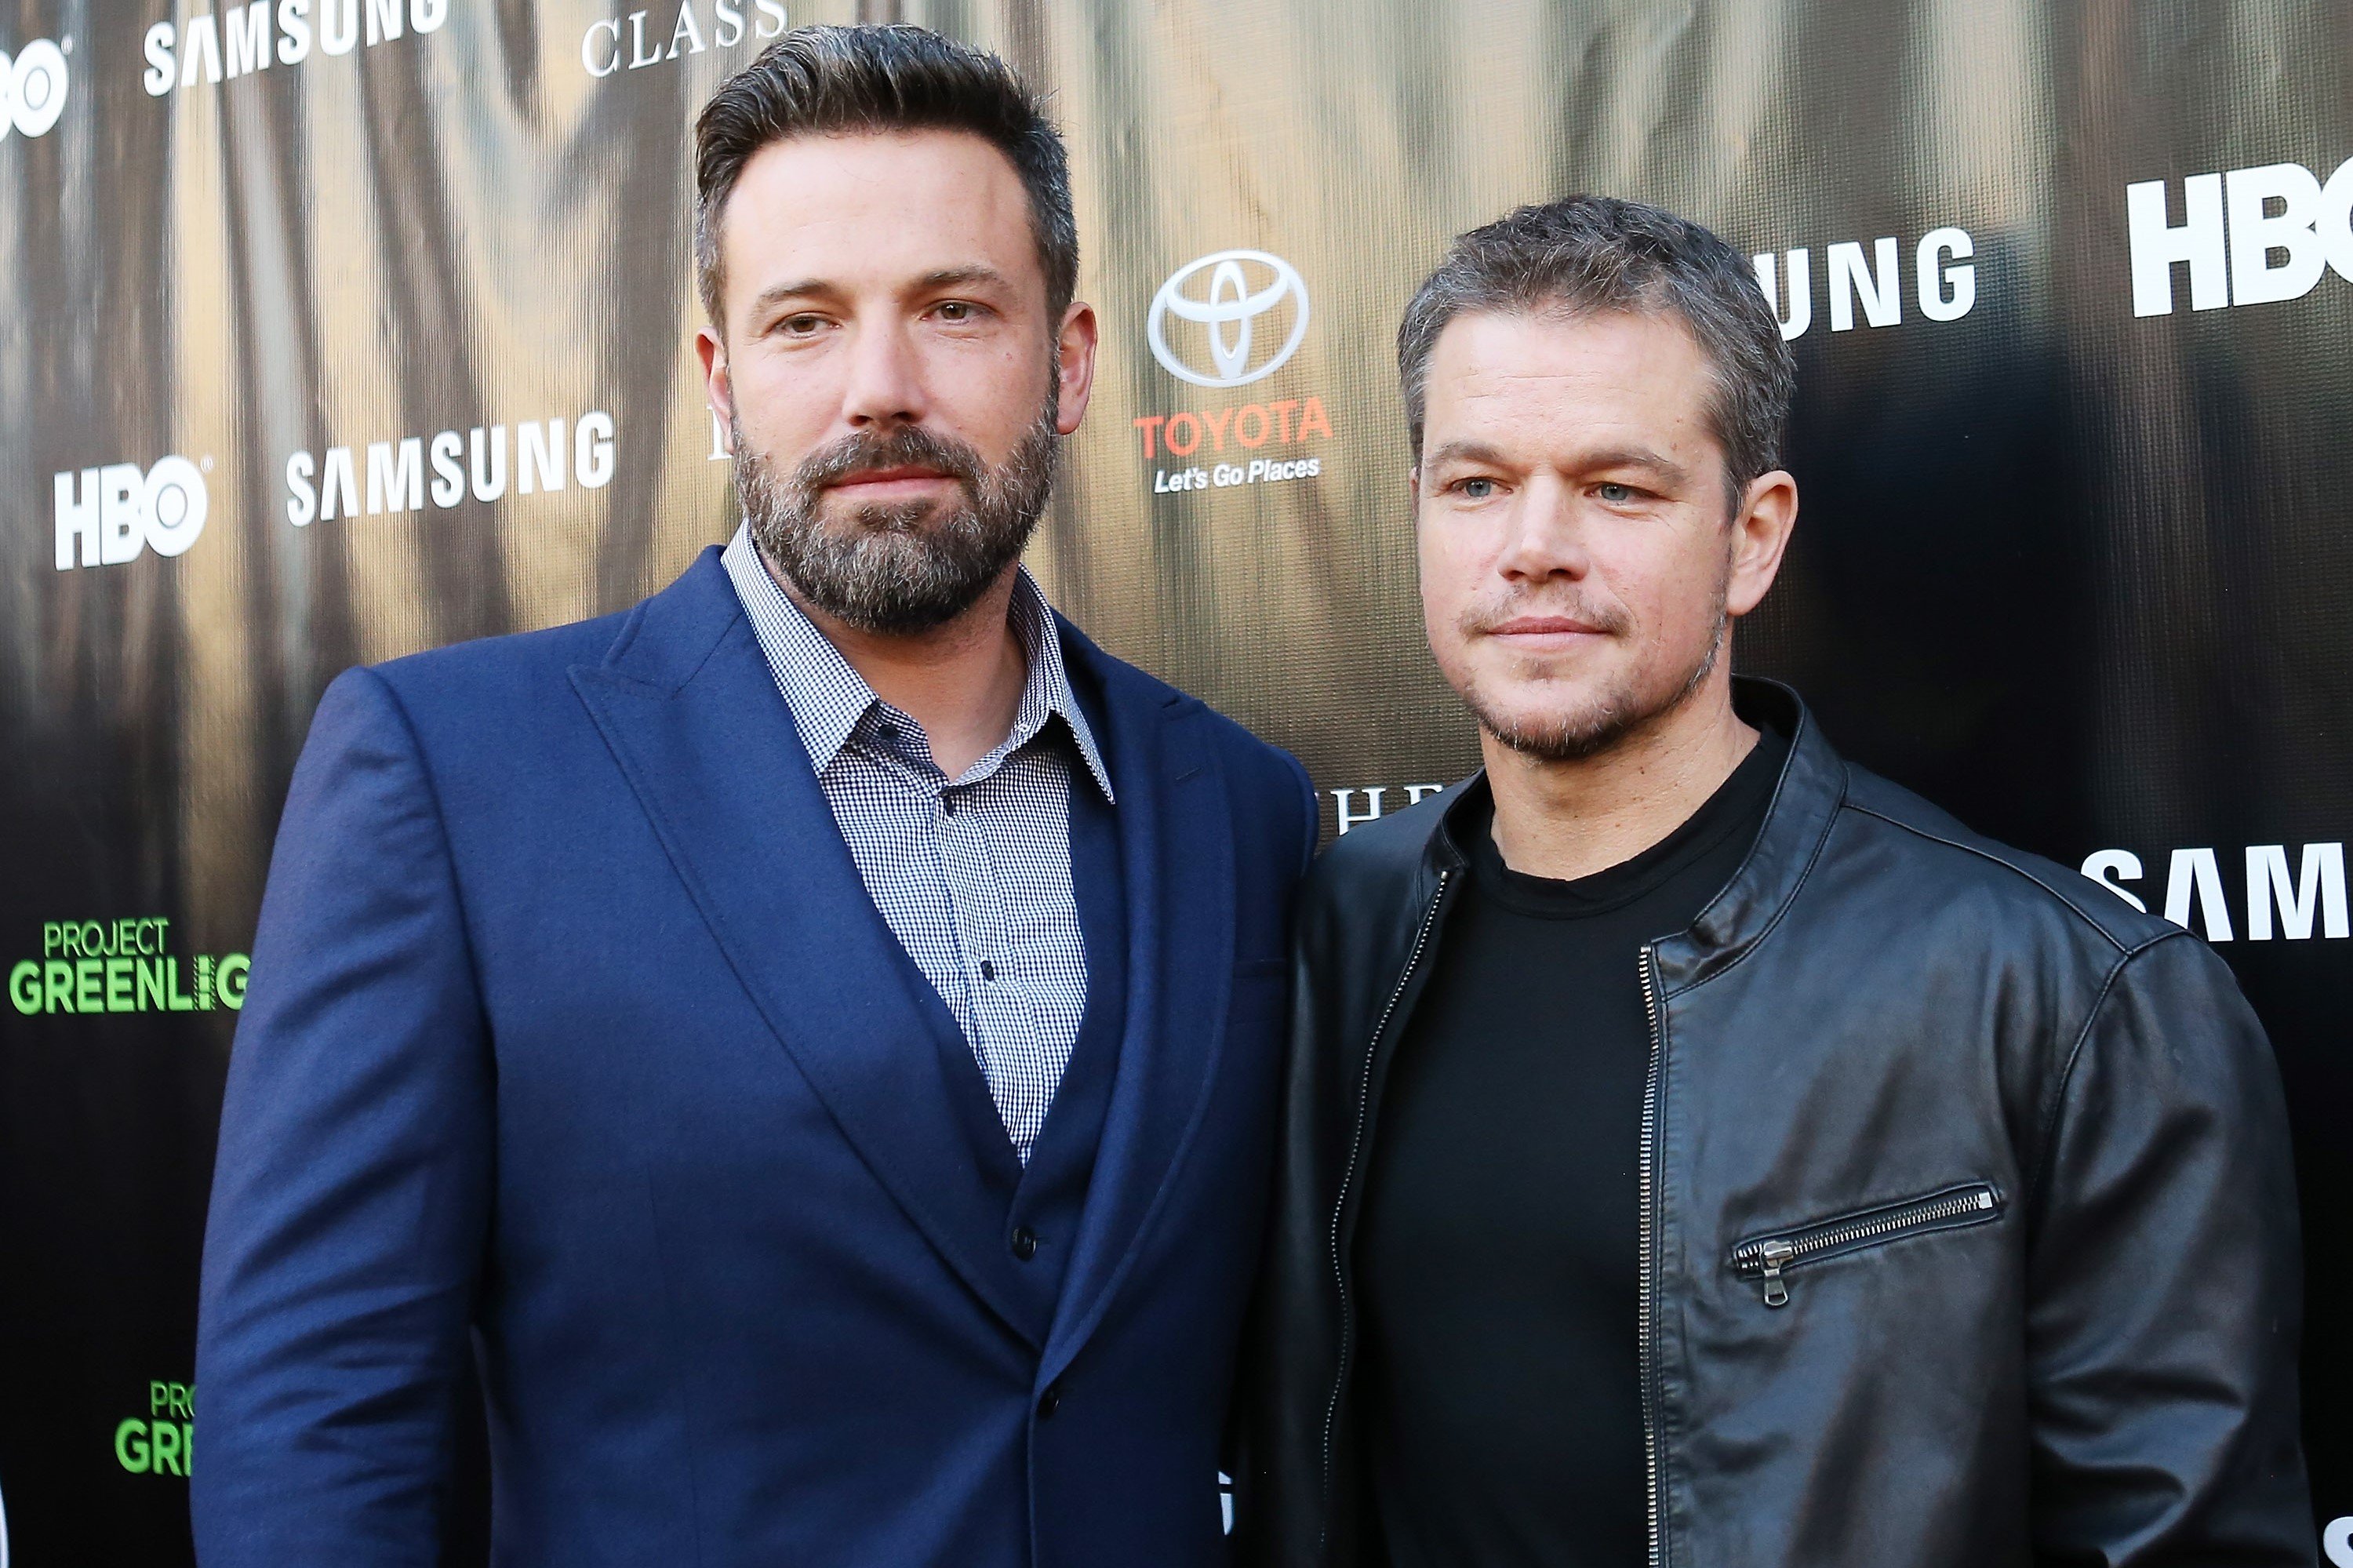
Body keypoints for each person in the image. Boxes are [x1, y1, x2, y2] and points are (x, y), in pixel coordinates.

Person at [192, 27, 1316, 1567]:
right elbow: (317, 1415)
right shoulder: (452, 775)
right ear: (720, 379)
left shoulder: (1241, 811)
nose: (882, 388)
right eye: (805, 322)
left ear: (1067, 361)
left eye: (954, 310)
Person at [1238, 196, 2314, 1567]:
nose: (1534, 546)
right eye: (1477, 484)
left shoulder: (2071, 1002)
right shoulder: (1335, 930)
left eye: (1617, 487)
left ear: (1754, 536)